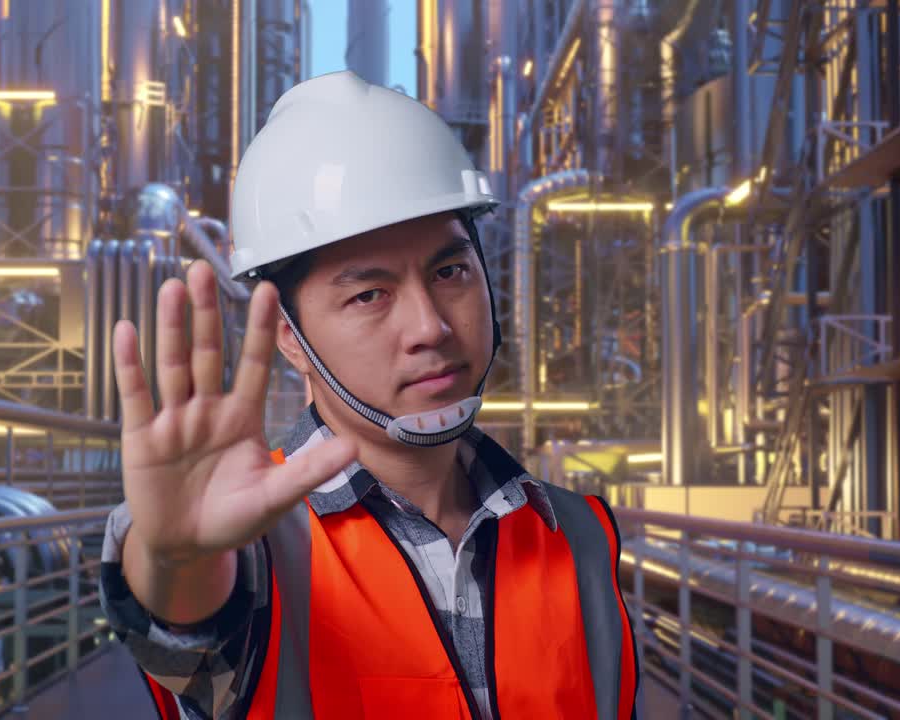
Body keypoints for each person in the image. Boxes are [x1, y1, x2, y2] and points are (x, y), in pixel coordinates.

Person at [99, 70, 641, 720]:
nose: (430, 327)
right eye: (369, 294)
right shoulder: (255, 549)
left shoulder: (579, 535)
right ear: (290, 339)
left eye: (450, 271)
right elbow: (185, 615)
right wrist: (173, 555)